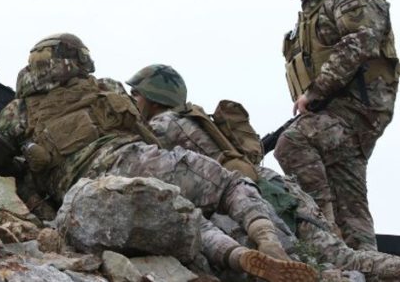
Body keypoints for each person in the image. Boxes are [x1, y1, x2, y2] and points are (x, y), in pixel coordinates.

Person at [0, 33, 318, 282]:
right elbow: (141, 129)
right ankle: (268, 242)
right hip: (133, 158)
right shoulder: (103, 88)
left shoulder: (18, 112)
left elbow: (1, 157)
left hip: (87, 196)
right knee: (228, 185)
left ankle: (236, 256)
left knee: (186, 222)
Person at [128, 63, 400, 281]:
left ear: (153, 98)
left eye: (136, 95)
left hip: (261, 201)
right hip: (281, 191)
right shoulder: (197, 121)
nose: (133, 101)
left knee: (315, 262)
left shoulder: (163, 125)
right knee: (344, 257)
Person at [277, 0, 399, 251]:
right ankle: (369, 264)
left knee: (293, 144)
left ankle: (324, 240)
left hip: (355, 109)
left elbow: (362, 40)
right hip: (339, 111)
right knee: (351, 207)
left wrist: (316, 92)